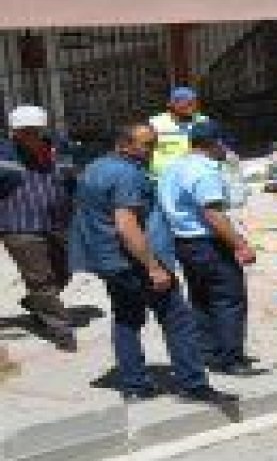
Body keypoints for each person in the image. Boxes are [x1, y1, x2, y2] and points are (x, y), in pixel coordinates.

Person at [69, 123, 234, 404]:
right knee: (177, 318)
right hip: (133, 260)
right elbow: (126, 225)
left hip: (108, 260)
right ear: (124, 145)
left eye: (153, 144)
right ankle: (193, 384)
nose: (151, 151)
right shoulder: (127, 174)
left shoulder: (95, 167)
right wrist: (153, 267)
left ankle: (134, 385)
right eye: (146, 145)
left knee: (127, 318)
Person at [158, 121, 261, 377]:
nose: (227, 149)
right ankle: (230, 358)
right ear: (215, 143)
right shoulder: (204, 172)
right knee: (228, 299)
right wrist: (240, 245)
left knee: (201, 298)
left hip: (183, 241)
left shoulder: (174, 167)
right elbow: (213, 214)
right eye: (224, 143)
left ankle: (208, 352)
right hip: (207, 243)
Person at [0, 106, 77, 351]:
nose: (29, 136)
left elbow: (71, 180)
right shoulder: (3, 152)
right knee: (40, 279)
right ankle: (62, 330)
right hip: (18, 225)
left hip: (58, 222)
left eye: (34, 131)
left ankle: (37, 304)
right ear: (14, 132)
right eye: (24, 132)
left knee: (65, 271)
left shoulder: (59, 148)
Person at [149, 87, 208, 177]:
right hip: (162, 177)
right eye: (183, 101)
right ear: (170, 104)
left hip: (194, 175)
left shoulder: (203, 121)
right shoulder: (156, 123)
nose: (190, 105)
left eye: (192, 102)